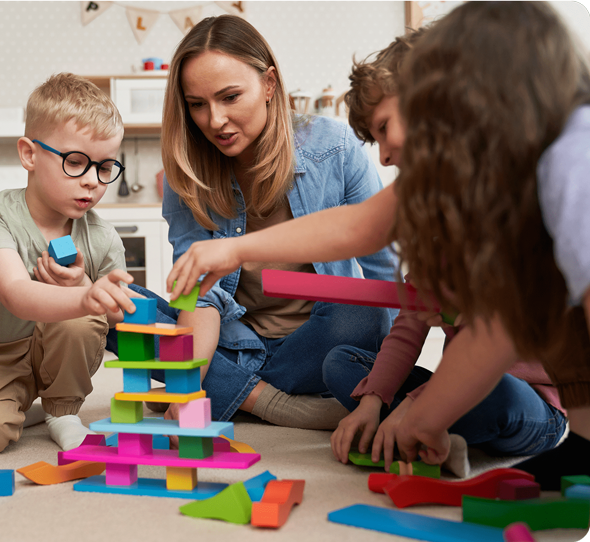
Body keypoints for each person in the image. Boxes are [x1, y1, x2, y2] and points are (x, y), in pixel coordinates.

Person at [107, 14, 398, 429]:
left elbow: (384, 279)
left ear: (269, 84)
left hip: (314, 345)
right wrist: (188, 383)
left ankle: (224, 389)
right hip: (230, 339)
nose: (215, 121)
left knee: (362, 312)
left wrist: (380, 384)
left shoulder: (334, 147)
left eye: (229, 97)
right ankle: (267, 401)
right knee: (116, 306)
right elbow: (199, 296)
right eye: (197, 105)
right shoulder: (186, 170)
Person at [324, 29, 566, 473]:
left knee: (497, 392)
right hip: (458, 383)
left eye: (383, 130)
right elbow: (412, 319)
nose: (382, 158)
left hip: (532, 400)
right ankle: (428, 431)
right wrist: (375, 402)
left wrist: (417, 404)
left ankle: (425, 426)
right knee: (342, 364)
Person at [387, 1, 590, 489]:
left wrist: (423, 416)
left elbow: (501, 325)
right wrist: (426, 415)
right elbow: (508, 318)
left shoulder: (570, 164)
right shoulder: (526, 176)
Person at [0, 73, 137, 456]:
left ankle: (62, 411)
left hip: (61, 351)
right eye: (76, 163)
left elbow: (119, 318)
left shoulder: (103, 237)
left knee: (82, 318)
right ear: (29, 154)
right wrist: (86, 296)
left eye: (104, 168)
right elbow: (16, 293)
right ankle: (23, 408)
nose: (92, 182)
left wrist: (85, 288)